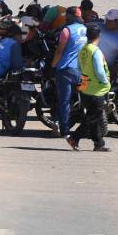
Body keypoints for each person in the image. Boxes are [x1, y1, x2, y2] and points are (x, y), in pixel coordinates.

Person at [67, 24, 111, 152]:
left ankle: (99, 143)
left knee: (94, 117)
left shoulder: (83, 49)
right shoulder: (95, 51)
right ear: (99, 35)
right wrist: (105, 82)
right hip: (96, 89)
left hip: (86, 87)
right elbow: (99, 71)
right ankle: (74, 137)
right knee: (93, 117)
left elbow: (79, 67)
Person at [49, 7, 88, 137]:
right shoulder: (86, 30)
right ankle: (87, 127)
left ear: (70, 17)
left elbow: (59, 51)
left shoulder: (66, 30)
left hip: (65, 71)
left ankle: (64, 129)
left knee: (64, 100)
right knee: (86, 98)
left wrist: (53, 66)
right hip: (83, 73)